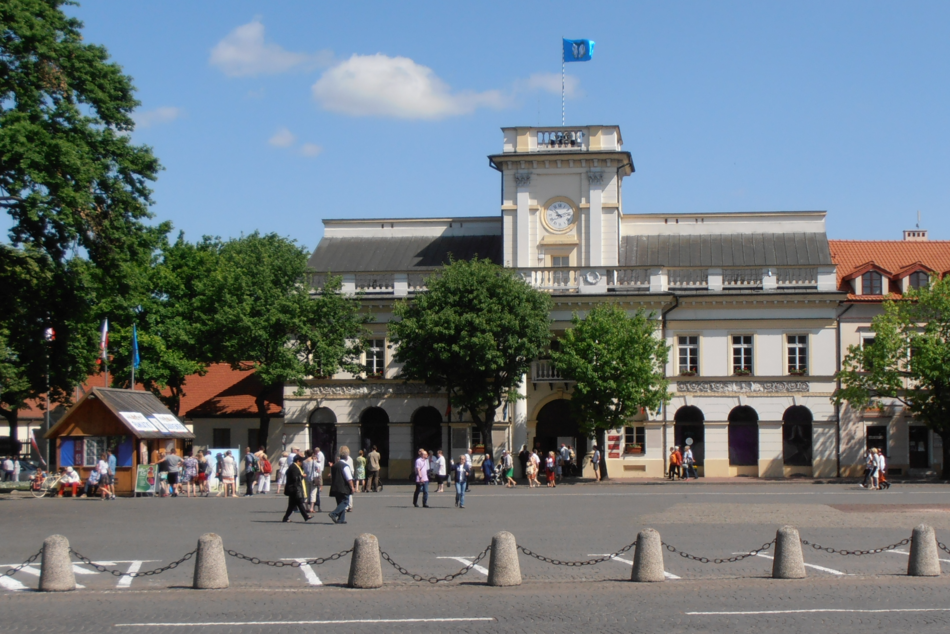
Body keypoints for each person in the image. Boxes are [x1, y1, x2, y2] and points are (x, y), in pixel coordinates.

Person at [282, 455, 312, 523]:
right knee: (299, 502)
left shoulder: (294, 466)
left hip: (293, 488)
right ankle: (306, 516)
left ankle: (286, 518)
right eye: (301, 462)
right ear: (298, 461)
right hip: (294, 488)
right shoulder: (294, 467)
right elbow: (294, 478)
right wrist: (302, 476)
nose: (302, 463)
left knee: (292, 505)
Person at [328, 446, 354, 524]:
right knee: (345, 502)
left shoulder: (335, 465)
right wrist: (352, 487)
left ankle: (341, 519)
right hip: (343, 487)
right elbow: (349, 478)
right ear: (346, 457)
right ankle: (334, 513)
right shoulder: (345, 466)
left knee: (340, 502)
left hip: (335, 486)